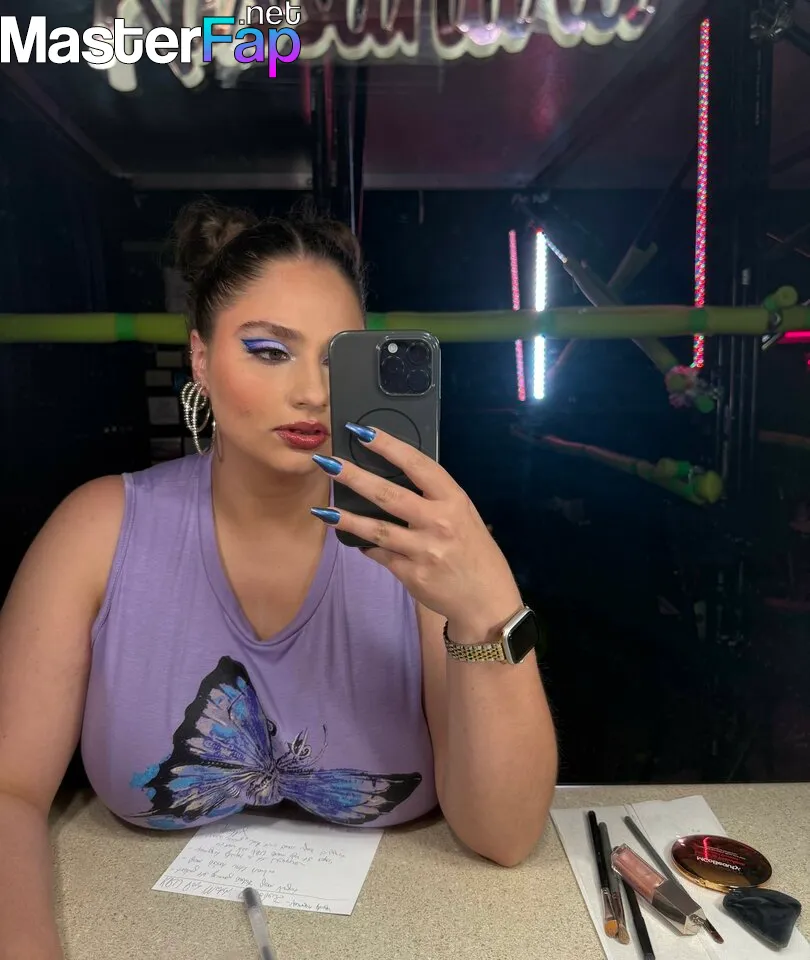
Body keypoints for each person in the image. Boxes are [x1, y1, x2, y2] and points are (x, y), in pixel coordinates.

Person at [0, 198, 558, 959]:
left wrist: (489, 605)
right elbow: (9, 789)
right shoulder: (98, 529)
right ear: (201, 359)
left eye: (339, 359)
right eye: (269, 351)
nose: (313, 393)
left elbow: (505, 836)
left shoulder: (424, 543)